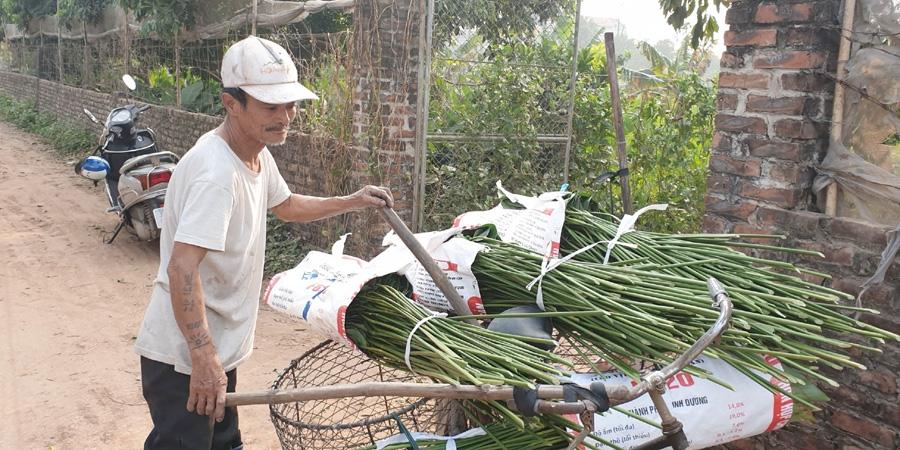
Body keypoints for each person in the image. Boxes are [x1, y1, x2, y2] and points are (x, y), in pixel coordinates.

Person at [134, 36, 394, 450]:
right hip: (184, 358)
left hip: (214, 350)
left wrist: (353, 200)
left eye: (289, 104)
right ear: (231, 103)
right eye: (270, 106)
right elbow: (181, 267)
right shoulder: (216, 174)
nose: (285, 116)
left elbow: (286, 204)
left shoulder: (254, 152)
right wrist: (203, 357)